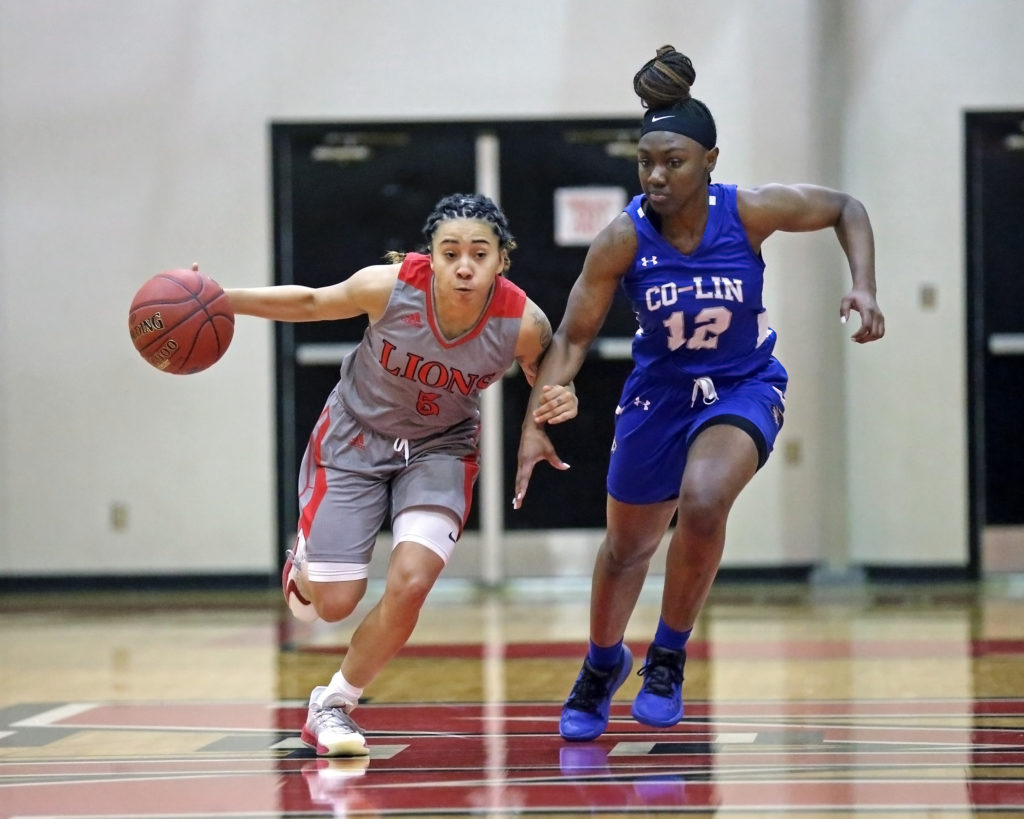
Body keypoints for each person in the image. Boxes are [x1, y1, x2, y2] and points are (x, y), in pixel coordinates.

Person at [514, 45, 885, 742]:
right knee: (627, 547)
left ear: (709, 161)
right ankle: (601, 664)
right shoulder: (623, 238)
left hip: (743, 384)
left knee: (706, 500)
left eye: (673, 161)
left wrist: (862, 283)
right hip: (659, 393)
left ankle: (668, 655)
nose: (656, 174)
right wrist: (538, 415)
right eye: (645, 161)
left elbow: (845, 207)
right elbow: (572, 336)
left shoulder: (746, 211)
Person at [223, 193, 577, 756]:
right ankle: (305, 564)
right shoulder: (389, 287)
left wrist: (554, 403)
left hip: (442, 448)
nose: (465, 266)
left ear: (501, 261)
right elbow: (313, 302)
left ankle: (334, 705)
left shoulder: (521, 322)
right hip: (353, 440)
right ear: (430, 257)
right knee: (334, 604)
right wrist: (222, 300)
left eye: (480, 254)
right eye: (451, 252)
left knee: (411, 582)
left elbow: (551, 362)